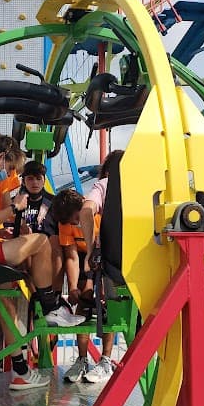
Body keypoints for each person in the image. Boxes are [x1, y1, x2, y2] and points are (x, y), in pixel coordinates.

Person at [0, 135, 84, 391]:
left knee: (6, 302)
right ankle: (51, 305)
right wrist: (13, 208)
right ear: (1, 158)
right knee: (41, 241)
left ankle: (8, 369)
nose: (9, 174)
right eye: (10, 168)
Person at [62, 150, 123, 383]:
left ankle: (86, 359)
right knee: (111, 307)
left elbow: (87, 210)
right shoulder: (140, 185)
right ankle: (103, 360)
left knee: (87, 307)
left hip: (106, 258)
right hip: (131, 262)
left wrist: (89, 247)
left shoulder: (103, 185)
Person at [16, 161, 53, 234]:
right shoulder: (15, 203)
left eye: (38, 179)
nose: (35, 182)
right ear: (23, 182)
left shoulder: (54, 203)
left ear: (44, 181)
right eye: (30, 179)